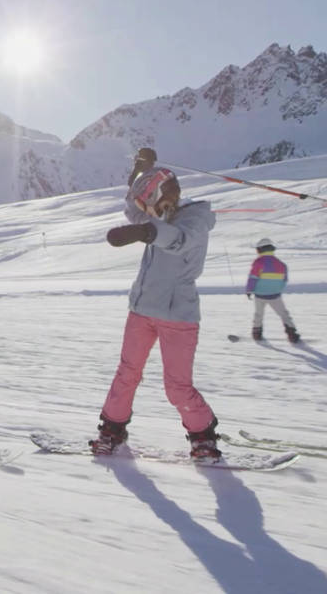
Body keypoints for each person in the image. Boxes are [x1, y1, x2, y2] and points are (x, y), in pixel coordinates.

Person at [90, 161, 221, 460]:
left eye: (145, 205)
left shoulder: (195, 220)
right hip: (141, 310)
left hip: (178, 315)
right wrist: (138, 174)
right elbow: (133, 211)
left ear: (161, 197)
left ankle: (203, 436)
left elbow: (178, 241)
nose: (143, 213)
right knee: (127, 374)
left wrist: (147, 232)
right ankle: (111, 430)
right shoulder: (159, 214)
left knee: (177, 386)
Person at [245, 238, 299, 343]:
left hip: (260, 295)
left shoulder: (258, 262)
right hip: (275, 295)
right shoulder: (281, 264)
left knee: (258, 315)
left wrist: (249, 290)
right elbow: (284, 280)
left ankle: (257, 333)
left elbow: (253, 278)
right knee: (284, 314)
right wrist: (277, 289)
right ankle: (292, 333)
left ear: (261, 249)